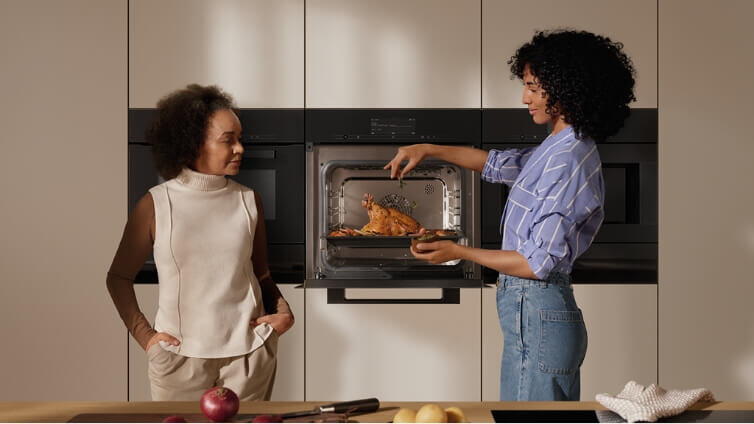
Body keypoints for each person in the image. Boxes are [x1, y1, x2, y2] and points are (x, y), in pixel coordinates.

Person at [385, 29, 636, 401]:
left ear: (566, 88)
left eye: (534, 88)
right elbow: (497, 164)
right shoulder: (559, 146)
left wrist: (459, 252)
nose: (524, 98)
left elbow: (537, 264)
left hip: (539, 308)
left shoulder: (569, 160)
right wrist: (429, 148)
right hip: (534, 314)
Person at [106, 84, 294, 401]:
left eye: (240, 138)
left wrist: (283, 311)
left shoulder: (249, 200)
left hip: (249, 357)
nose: (240, 149)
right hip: (178, 361)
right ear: (194, 144)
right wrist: (147, 338)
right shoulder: (155, 204)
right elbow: (119, 278)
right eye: (228, 140)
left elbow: (260, 274)